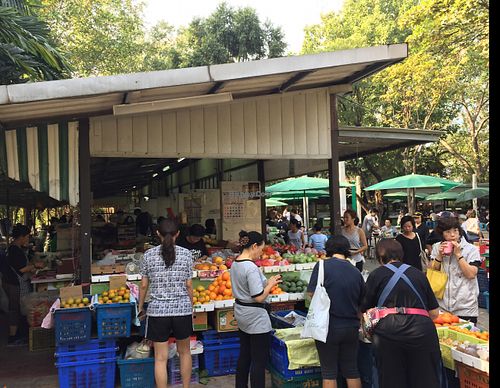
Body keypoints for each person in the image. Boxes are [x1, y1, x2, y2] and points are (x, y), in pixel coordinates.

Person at [361, 239, 442, 388]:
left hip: (388, 333)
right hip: (422, 332)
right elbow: (434, 313)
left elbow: (364, 311)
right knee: (425, 380)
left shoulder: (376, 275)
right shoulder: (418, 274)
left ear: (380, 257)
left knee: (390, 380)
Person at [138, 219, 194, 388]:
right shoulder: (186, 254)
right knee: (184, 353)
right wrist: (191, 306)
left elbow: (143, 285)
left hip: (158, 312)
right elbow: (189, 285)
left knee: (160, 358)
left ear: (157, 234)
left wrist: (140, 307)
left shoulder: (148, 255)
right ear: (178, 234)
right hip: (181, 309)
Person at [307, 235, 366, 388]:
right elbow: (362, 302)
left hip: (327, 327)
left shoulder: (321, 266)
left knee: (329, 373)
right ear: (346, 250)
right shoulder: (355, 271)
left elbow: (312, 294)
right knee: (352, 370)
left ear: (329, 249)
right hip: (351, 327)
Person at [230, 231, 282, 388]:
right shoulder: (250, 267)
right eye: (261, 249)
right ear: (254, 246)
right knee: (259, 360)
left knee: (245, 355)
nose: (261, 252)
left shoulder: (235, 263)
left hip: (241, 312)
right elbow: (258, 297)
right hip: (255, 316)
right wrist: (271, 284)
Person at [429, 216, 481, 323]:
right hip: (442, 306)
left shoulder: (471, 250)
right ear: (442, 233)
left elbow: (471, 274)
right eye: (448, 231)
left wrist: (458, 255)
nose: (452, 235)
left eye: (455, 231)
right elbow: (431, 271)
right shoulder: (437, 247)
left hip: (465, 308)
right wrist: (439, 256)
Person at [0, 224, 43, 346]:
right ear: (21, 237)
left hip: (12, 282)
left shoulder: (15, 248)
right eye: (27, 237)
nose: (28, 239)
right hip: (14, 283)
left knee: (18, 308)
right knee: (15, 309)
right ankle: (13, 338)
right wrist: (35, 266)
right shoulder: (14, 250)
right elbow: (22, 269)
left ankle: (19, 334)